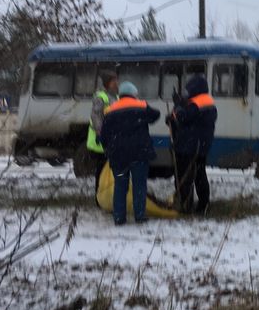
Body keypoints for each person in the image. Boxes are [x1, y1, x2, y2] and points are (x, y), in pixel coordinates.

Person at [99, 81, 161, 225]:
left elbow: (104, 135)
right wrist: (143, 104)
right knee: (139, 185)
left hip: (118, 156)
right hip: (139, 154)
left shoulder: (110, 110)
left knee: (120, 185)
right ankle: (139, 216)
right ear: (134, 94)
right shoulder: (141, 106)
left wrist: (108, 150)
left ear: (120, 95)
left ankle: (119, 217)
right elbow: (156, 116)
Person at [169, 75, 217, 214]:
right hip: (199, 146)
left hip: (189, 147)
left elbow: (183, 117)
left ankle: (185, 205)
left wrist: (177, 105)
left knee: (185, 176)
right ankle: (203, 204)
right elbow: (190, 121)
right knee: (200, 175)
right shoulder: (207, 102)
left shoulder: (197, 104)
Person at [86, 71, 118, 177]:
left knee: (109, 172)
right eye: (113, 81)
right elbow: (95, 116)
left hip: (110, 140)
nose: (116, 83)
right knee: (102, 171)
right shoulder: (101, 97)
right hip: (100, 142)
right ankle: (99, 192)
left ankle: (106, 192)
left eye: (116, 81)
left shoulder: (115, 97)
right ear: (107, 83)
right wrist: (100, 133)